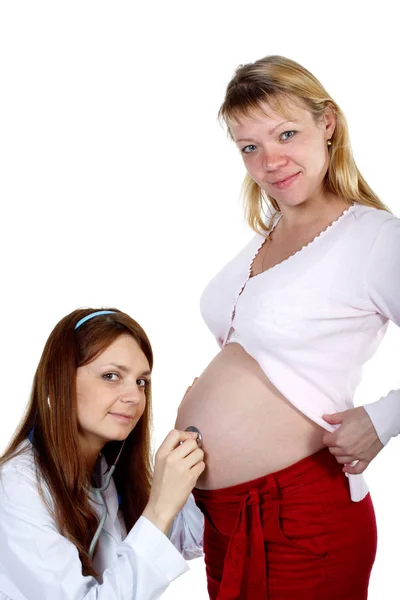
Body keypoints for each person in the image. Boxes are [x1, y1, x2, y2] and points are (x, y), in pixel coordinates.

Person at [175, 55, 400, 599]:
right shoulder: (260, 240)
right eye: (250, 147)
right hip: (223, 516)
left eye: (286, 134)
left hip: (300, 513)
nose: (270, 160)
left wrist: (385, 416)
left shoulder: (375, 238)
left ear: (328, 124)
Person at [0, 308, 205, 599]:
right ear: (59, 382)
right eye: (111, 376)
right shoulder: (17, 488)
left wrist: (197, 461)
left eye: (141, 381)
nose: (134, 396)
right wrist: (159, 508)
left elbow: (177, 538)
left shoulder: (103, 472)